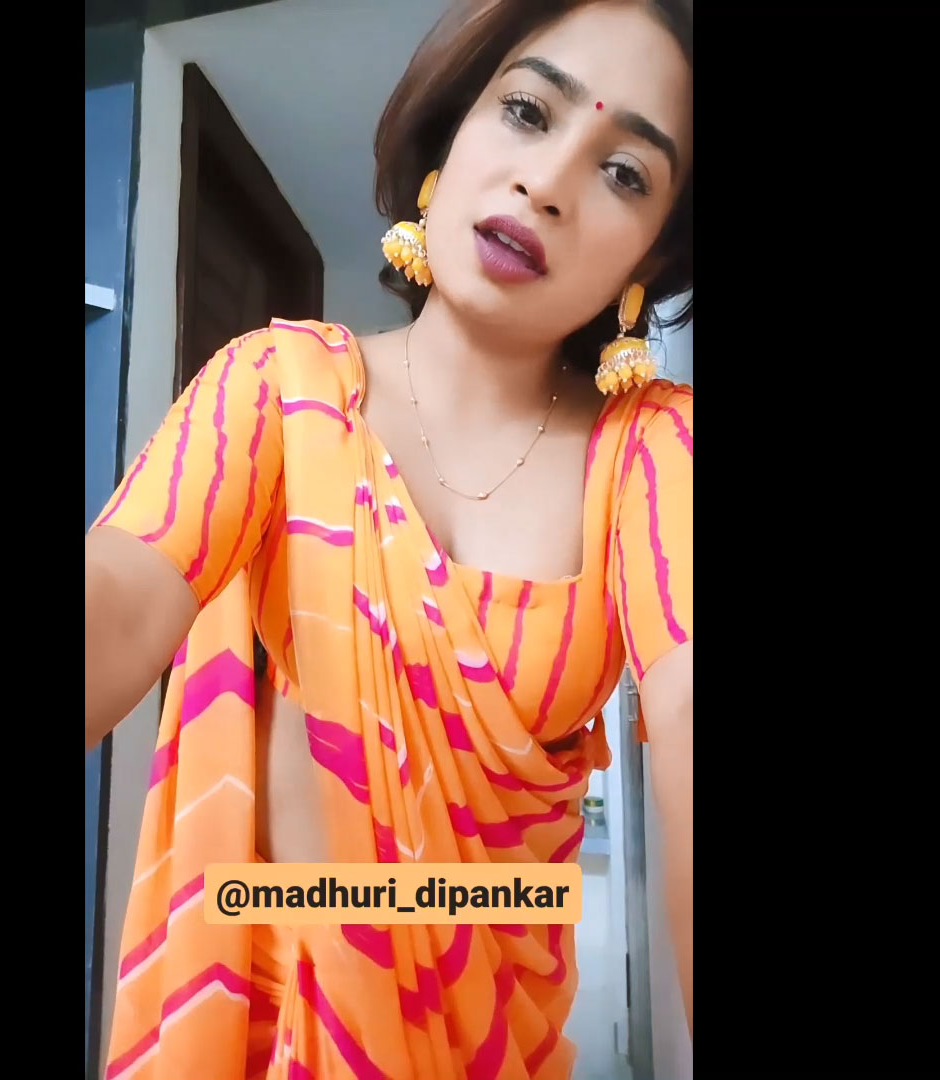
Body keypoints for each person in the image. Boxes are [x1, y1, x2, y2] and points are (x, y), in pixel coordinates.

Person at [85, 1, 693, 1075]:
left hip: (496, 1043)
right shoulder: (277, 389)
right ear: (449, 136)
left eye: (624, 173)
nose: (548, 183)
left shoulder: (652, 454)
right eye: (526, 111)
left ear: (653, 251)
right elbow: (122, 598)